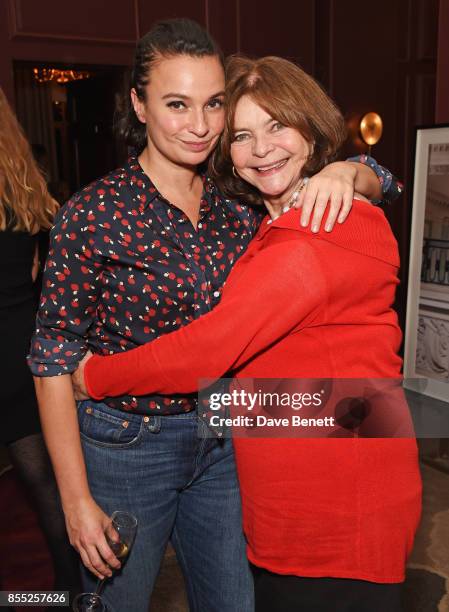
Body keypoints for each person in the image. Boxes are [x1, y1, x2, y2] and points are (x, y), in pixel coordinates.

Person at [29, 19, 404, 612]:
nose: (199, 125)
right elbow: (52, 358)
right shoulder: (92, 213)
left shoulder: (243, 206)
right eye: (177, 104)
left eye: (212, 105)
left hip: (228, 439)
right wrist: (74, 501)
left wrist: (357, 171)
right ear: (139, 104)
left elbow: (219, 345)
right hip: (130, 445)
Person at [0, 87, 81, 602]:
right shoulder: (19, 185)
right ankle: (72, 593)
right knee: (47, 488)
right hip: (20, 352)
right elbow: (34, 268)